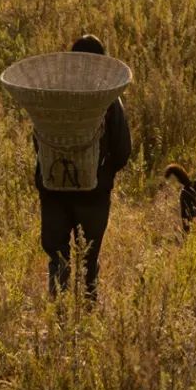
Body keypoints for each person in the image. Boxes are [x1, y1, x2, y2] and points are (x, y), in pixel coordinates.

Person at [36, 33, 131, 302]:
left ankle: (58, 312)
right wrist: (103, 174)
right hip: (94, 194)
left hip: (53, 189)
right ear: (100, 63)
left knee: (58, 256)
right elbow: (124, 151)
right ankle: (88, 308)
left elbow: (39, 141)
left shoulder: (52, 96)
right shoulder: (110, 100)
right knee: (89, 258)